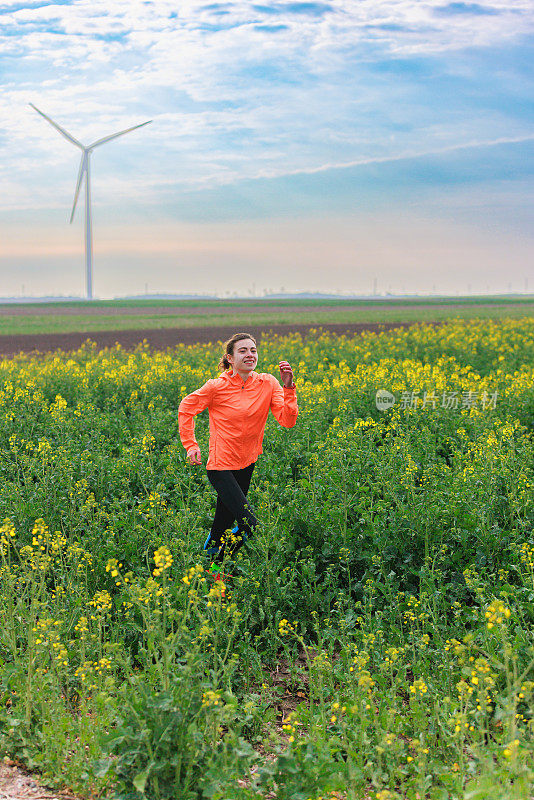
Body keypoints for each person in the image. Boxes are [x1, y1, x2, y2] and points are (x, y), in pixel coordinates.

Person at [178, 332, 298, 580]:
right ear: (230, 359)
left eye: (253, 350)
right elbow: (186, 408)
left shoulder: (268, 383)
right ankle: (216, 571)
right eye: (242, 351)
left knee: (222, 524)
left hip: (247, 464)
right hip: (220, 466)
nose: (249, 355)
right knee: (248, 525)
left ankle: (207, 563)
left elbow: (287, 421)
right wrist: (191, 444)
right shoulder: (216, 387)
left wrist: (288, 388)